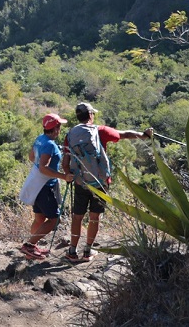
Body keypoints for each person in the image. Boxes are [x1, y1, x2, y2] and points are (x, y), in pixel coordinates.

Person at [61, 102, 152, 263]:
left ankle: (72, 251)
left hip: (80, 181)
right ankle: (87, 251)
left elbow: (65, 161)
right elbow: (123, 134)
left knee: (77, 216)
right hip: (101, 181)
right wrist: (143, 135)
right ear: (90, 115)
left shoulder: (70, 134)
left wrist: (68, 174)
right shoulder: (100, 130)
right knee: (94, 216)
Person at [17, 113, 74, 260]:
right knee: (54, 220)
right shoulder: (50, 144)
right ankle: (29, 246)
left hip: (36, 184)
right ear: (55, 129)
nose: (59, 129)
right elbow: (43, 167)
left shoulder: (40, 139)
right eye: (59, 126)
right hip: (45, 187)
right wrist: (63, 176)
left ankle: (31, 248)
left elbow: (31, 157)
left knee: (40, 218)